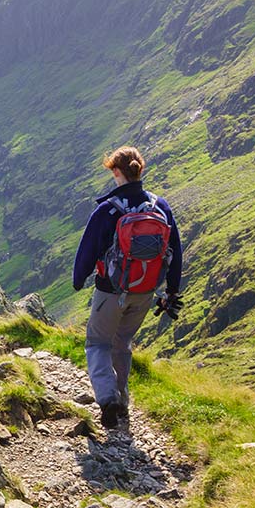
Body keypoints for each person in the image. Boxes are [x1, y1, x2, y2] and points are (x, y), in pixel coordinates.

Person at [73, 146, 183, 429]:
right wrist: (170, 291)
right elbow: (175, 251)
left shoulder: (107, 211)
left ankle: (108, 399)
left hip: (111, 291)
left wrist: (79, 279)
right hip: (145, 292)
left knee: (98, 342)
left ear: (116, 171)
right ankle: (122, 400)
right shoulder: (161, 207)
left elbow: (87, 252)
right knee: (122, 343)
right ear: (140, 170)